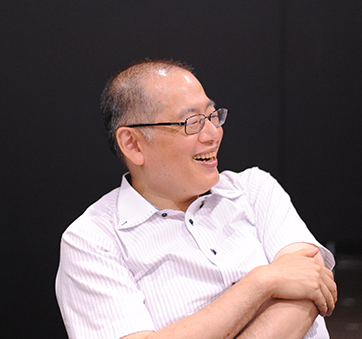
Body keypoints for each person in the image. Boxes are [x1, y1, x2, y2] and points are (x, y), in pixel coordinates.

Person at [55, 60, 337, 339]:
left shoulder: (254, 189)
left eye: (212, 115)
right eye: (192, 123)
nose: (213, 134)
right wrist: (261, 282)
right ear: (133, 144)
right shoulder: (92, 241)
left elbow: (312, 280)